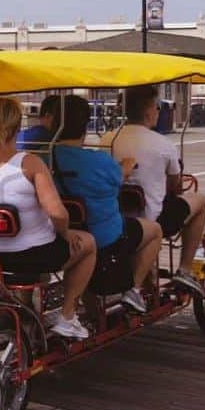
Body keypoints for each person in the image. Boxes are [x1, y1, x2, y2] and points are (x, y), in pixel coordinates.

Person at [0, 97, 96, 339]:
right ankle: (67, 316)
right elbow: (57, 213)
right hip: (30, 257)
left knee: (36, 239)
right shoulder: (29, 162)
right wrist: (66, 232)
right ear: (16, 127)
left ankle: (23, 309)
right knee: (88, 244)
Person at [52, 95, 163, 313]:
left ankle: (92, 310)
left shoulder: (46, 157)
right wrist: (127, 166)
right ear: (85, 125)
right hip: (107, 235)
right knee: (155, 231)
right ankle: (133, 290)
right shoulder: (98, 161)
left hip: (66, 232)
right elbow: (119, 176)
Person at [111, 85, 205, 294]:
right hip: (153, 218)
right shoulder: (163, 144)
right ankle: (184, 269)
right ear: (148, 111)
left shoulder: (108, 138)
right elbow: (174, 185)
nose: (158, 111)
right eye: (157, 107)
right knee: (200, 200)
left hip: (116, 214)